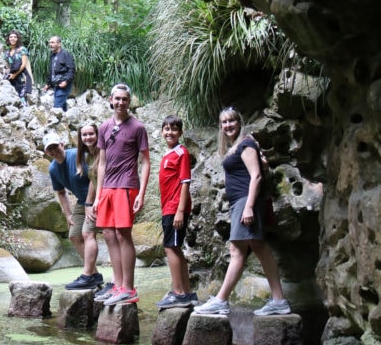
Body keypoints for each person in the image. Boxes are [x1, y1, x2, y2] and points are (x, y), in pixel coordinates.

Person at [193, 106, 291, 316]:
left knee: (237, 250)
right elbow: (260, 168)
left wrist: (248, 207)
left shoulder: (245, 143)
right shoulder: (241, 145)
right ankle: (279, 301)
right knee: (258, 247)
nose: (228, 125)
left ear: (239, 122)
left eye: (232, 121)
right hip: (240, 201)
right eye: (224, 122)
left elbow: (255, 176)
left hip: (246, 201)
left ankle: (221, 300)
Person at [92, 83, 150, 306]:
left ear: (129, 101)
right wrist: (98, 196)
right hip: (107, 187)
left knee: (123, 234)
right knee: (108, 234)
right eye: (117, 99)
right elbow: (102, 163)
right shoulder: (105, 127)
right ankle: (117, 285)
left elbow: (145, 161)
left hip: (126, 185)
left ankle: (129, 288)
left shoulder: (138, 127)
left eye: (125, 99)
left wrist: (141, 193)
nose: (121, 102)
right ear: (110, 100)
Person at [43, 130, 104, 290]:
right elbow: (61, 192)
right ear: (46, 152)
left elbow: (94, 177)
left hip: (97, 198)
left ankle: (87, 275)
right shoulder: (53, 169)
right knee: (74, 235)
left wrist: (90, 202)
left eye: (55, 146)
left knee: (88, 233)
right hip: (81, 202)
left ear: (62, 144)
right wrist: (68, 214)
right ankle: (94, 275)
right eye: (50, 149)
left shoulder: (77, 155)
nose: (54, 151)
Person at [155, 116, 198, 309]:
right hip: (168, 208)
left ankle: (178, 293)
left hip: (175, 208)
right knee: (175, 247)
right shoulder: (168, 154)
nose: (169, 132)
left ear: (180, 132)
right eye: (166, 129)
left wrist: (180, 211)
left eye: (173, 129)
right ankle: (187, 293)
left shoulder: (181, 152)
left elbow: (185, 182)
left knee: (170, 248)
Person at [42, 35, 75, 111]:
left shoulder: (66, 54)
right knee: (62, 108)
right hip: (56, 85)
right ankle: (66, 121)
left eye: (53, 43)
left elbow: (71, 69)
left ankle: (56, 122)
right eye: (50, 43)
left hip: (63, 85)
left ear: (59, 44)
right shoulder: (52, 55)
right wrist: (48, 84)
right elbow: (52, 71)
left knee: (56, 108)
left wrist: (66, 81)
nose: (50, 44)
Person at [3, 30, 33, 104]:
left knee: (22, 98)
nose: (13, 39)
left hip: (22, 77)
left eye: (15, 37)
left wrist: (15, 75)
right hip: (12, 78)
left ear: (17, 39)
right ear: (8, 39)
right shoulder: (6, 52)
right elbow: (8, 66)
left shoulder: (22, 49)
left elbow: (24, 65)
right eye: (11, 37)